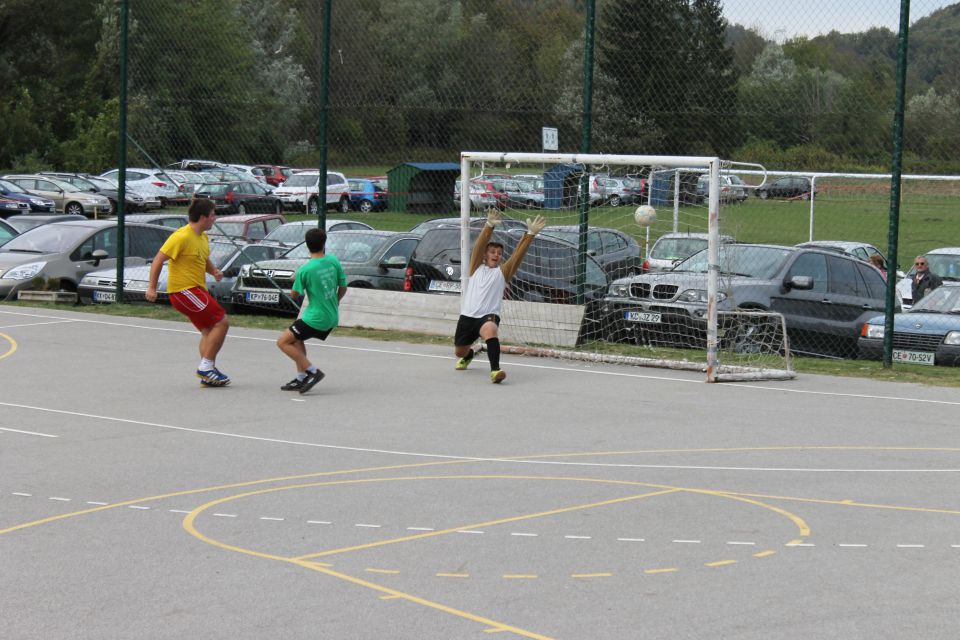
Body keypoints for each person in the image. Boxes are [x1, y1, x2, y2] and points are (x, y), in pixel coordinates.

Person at [453, 209, 547, 384]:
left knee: (490, 329)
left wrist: (530, 234)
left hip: (488, 316)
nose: (496, 254)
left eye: (499, 252)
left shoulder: (502, 273)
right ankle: (470, 354)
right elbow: (479, 246)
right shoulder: (475, 268)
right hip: (468, 316)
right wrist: (488, 226)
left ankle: (495, 370)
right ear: (485, 255)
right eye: (492, 251)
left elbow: (517, 256)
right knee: (459, 352)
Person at [146, 198, 231, 387]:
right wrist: (152, 287)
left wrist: (214, 271)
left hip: (195, 290)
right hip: (184, 291)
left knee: (209, 330)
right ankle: (206, 368)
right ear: (203, 218)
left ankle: (208, 373)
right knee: (222, 322)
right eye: (212, 215)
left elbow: (203, 259)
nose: (214, 219)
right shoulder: (181, 236)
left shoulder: (202, 237)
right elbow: (158, 260)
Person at [275, 227, 347, 394]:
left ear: (307, 245)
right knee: (296, 339)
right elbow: (343, 287)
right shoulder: (333, 261)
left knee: (282, 342)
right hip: (331, 314)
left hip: (316, 318)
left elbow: (294, 295)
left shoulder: (305, 270)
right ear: (324, 244)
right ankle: (301, 378)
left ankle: (313, 372)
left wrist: (294, 282)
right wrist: (335, 302)